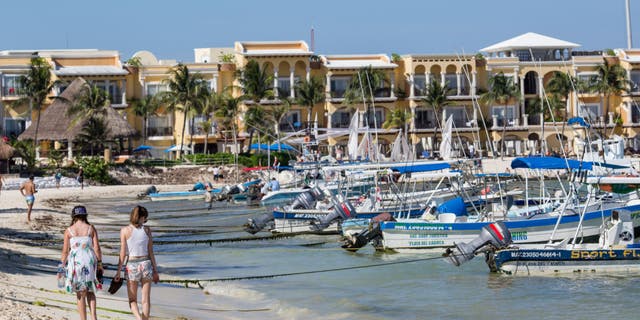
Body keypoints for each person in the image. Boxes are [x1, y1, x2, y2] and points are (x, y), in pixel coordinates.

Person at [115, 206, 160, 320]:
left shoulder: (125, 230)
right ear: (141, 217)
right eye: (145, 218)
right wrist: (155, 270)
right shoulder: (147, 230)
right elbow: (150, 252)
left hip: (132, 265)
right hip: (146, 263)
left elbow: (123, 253)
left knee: (132, 300)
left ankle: (139, 319)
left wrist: (118, 272)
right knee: (145, 300)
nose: (145, 221)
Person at [60, 205, 103, 320]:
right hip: (89, 262)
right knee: (90, 289)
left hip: (75, 263)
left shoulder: (69, 231)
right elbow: (97, 248)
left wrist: (61, 268)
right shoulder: (91, 228)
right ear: (85, 215)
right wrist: (100, 264)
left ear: (73, 216)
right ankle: (94, 317)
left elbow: (65, 251)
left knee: (80, 293)